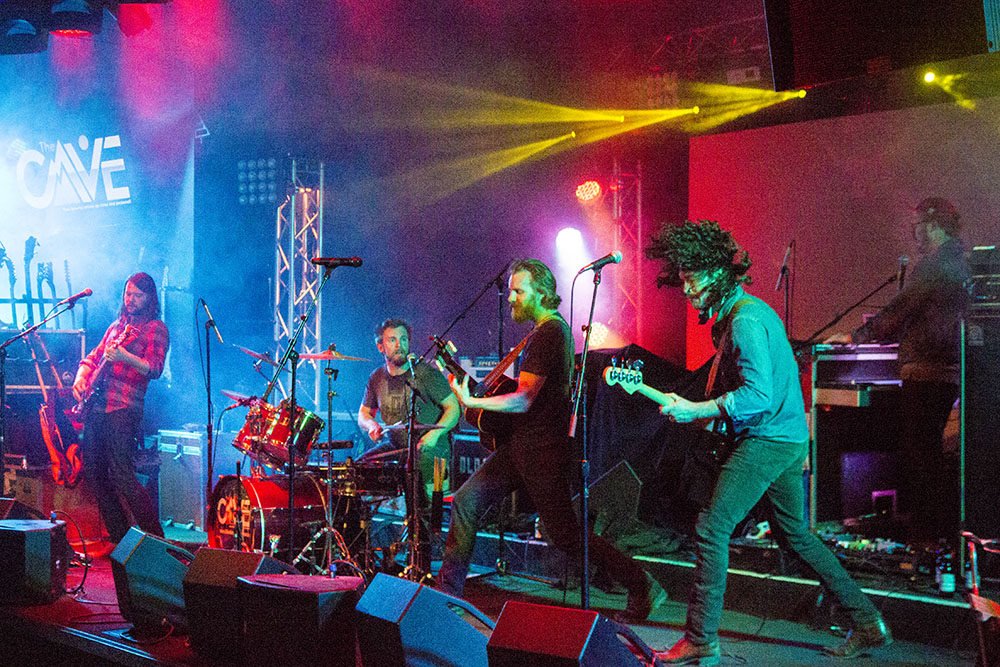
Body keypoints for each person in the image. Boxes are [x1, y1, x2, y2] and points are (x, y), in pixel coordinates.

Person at [646, 221, 889, 663]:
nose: (687, 290)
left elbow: (758, 396)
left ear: (719, 274)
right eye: (682, 281)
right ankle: (868, 621)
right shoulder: (746, 313)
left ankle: (700, 638)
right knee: (795, 535)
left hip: (768, 442)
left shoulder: (744, 323)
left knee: (711, 528)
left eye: (693, 280)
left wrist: (699, 411)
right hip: (787, 438)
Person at [437, 258, 663, 622]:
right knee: (466, 501)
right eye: (511, 289)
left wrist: (472, 400)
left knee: (567, 535)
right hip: (521, 447)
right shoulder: (541, 332)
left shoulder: (550, 333)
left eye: (518, 290)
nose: (510, 297)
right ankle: (446, 597)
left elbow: (524, 398)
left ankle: (641, 583)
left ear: (542, 293)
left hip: (542, 451)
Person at [826, 197, 969, 546]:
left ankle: (925, 540)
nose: (914, 236)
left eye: (917, 228)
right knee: (929, 454)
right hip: (949, 371)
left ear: (933, 226)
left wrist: (857, 336)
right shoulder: (961, 264)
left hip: (926, 372)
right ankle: (940, 538)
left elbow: (900, 309)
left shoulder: (933, 266)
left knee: (920, 458)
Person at [72, 272, 168, 544]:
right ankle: (123, 541)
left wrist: (125, 356)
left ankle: (156, 540)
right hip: (98, 406)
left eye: (138, 295)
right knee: (93, 472)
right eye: (128, 294)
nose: (131, 300)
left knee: (123, 475)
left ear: (149, 298)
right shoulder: (117, 326)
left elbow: (155, 369)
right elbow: (93, 356)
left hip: (125, 407)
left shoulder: (155, 328)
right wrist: (81, 377)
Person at [358, 318, 460, 572]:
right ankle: (361, 554)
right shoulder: (376, 378)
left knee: (419, 511)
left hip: (429, 452)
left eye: (403, 339)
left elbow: (453, 408)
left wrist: (435, 435)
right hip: (396, 448)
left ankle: (421, 568)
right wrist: (371, 426)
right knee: (356, 473)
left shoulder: (424, 373)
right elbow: (364, 414)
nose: (399, 344)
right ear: (381, 347)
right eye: (392, 340)